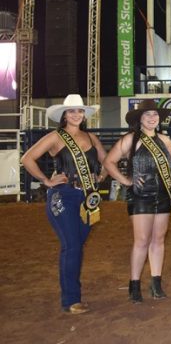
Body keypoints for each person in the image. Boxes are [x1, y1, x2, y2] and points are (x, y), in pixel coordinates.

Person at [21, 94, 107, 314]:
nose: (76, 115)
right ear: (64, 115)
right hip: (63, 196)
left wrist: (101, 176)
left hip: (87, 199)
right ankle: (71, 300)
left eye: (80, 111)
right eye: (71, 111)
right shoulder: (55, 137)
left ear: (84, 115)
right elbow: (27, 158)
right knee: (72, 246)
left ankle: (71, 295)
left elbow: (107, 161)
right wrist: (46, 180)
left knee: (76, 245)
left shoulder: (91, 138)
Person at [103, 99, 171, 303]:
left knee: (159, 240)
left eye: (155, 114)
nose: (152, 118)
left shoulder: (165, 140)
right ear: (140, 119)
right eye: (147, 115)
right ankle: (134, 284)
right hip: (140, 196)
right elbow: (109, 162)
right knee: (142, 240)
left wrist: (170, 181)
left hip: (163, 195)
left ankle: (156, 283)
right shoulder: (129, 139)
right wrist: (127, 181)